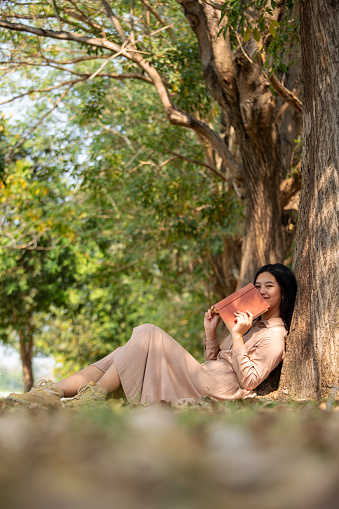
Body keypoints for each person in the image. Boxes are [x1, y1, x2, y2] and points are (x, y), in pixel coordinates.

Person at [6, 263, 297, 408]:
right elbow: (218, 360)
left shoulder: (275, 336)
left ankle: (92, 398)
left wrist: (236, 336)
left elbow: (248, 381)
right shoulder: (252, 325)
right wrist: (212, 333)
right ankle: (52, 393)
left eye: (269, 286)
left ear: (283, 293)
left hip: (215, 390)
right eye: (257, 285)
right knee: (123, 352)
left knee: (147, 331)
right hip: (204, 376)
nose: (260, 292)